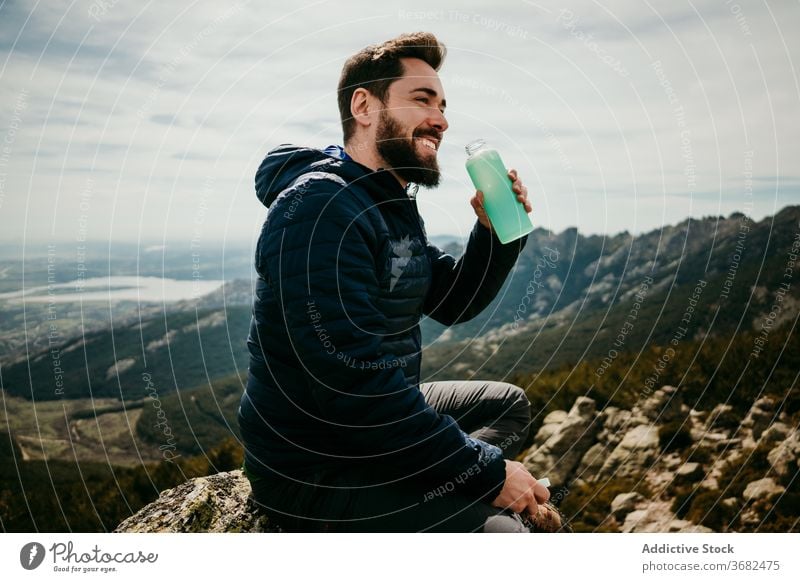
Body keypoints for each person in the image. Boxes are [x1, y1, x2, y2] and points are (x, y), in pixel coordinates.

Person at [238, 31, 549, 532]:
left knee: (506, 404)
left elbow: (451, 300)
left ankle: (425, 485)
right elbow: (351, 385)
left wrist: (494, 236)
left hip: (365, 427)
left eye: (444, 105)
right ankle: (427, 493)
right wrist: (484, 472)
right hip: (316, 462)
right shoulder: (319, 210)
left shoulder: (386, 202)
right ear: (364, 105)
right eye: (422, 99)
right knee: (509, 537)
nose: (442, 120)